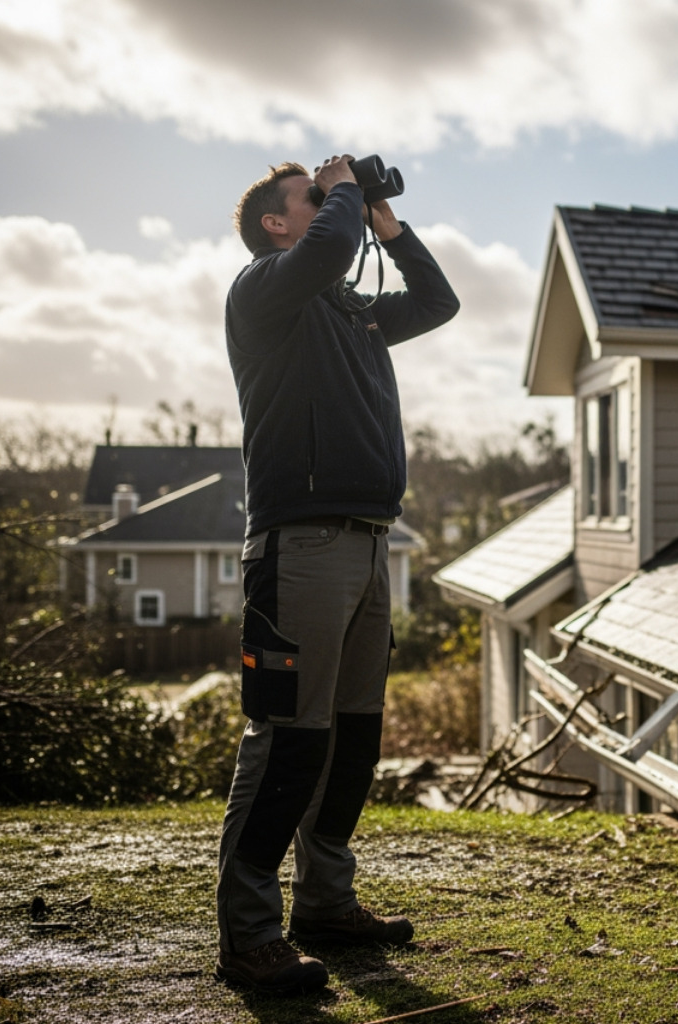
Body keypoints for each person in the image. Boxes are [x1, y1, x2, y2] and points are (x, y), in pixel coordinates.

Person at [215, 155, 459, 993]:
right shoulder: (263, 293)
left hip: (369, 537)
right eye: (311, 202)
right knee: (287, 737)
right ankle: (249, 936)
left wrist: (386, 222)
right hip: (299, 546)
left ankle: (325, 904)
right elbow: (324, 250)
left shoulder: (349, 311)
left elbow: (437, 302)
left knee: (352, 738)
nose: (329, 209)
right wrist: (343, 184)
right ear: (278, 226)